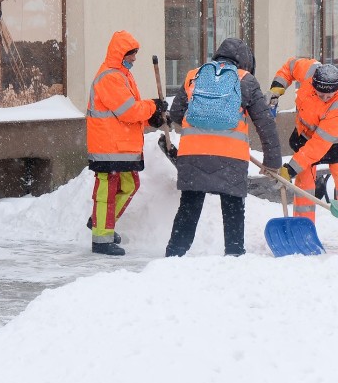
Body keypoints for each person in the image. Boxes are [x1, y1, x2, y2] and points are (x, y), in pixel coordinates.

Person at [164, 37, 282, 257]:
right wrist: (272, 161)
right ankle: (234, 255)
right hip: (231, 158)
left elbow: (177, 114)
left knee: (189, 207)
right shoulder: (246, 80)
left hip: (193, 155)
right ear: (244, 60)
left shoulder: (194, 76)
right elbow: (265, 123)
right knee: (233, 208)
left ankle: (174, 254)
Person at [268, 58, 338, 250]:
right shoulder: (309, 70)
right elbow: (289, 67)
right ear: (313, 82)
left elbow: (319, 145)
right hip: (304, 136)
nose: (324, 98)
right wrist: (277, 88)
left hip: (334, 143)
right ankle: (302, 233)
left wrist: (291, 168)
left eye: (328, 95)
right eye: (320, 94)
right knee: (304, 186)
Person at [86, 30, 168, 256]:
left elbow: (129, 114)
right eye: (131, 55)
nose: (133, 59)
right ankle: (101, 238)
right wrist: (152, 106)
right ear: (120, 53)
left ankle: (101, 220)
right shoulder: (110, 77)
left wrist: (152, 118)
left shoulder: (122, 75)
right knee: (107, 191)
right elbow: (128, 111)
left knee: (129, 185)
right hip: (108, 147)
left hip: (120, 146)